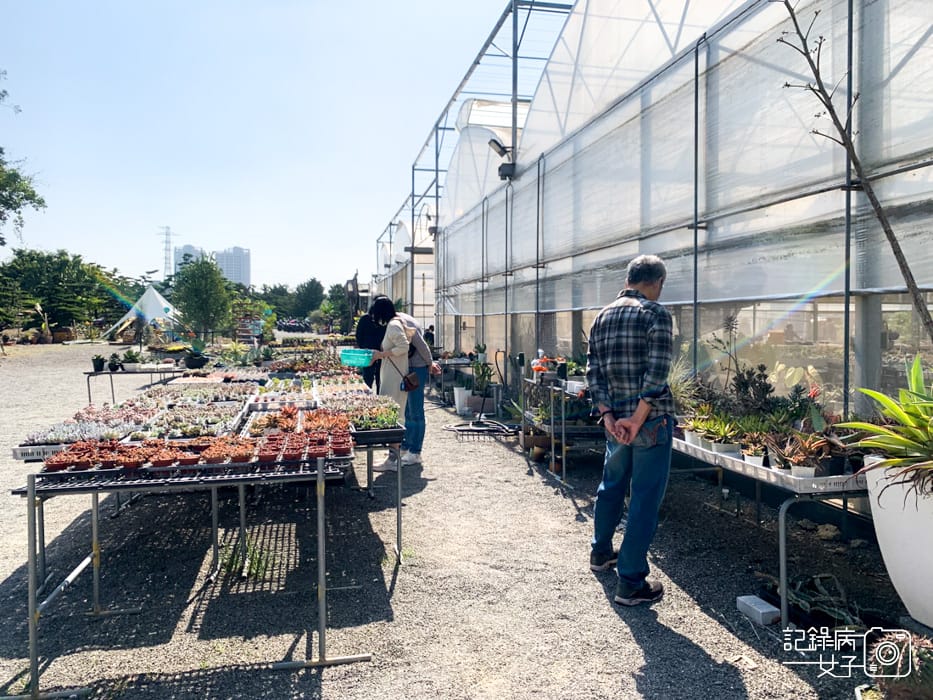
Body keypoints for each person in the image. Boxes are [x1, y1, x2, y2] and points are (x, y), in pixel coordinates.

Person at [585, 254, 675, 606]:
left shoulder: (602, 316)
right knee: (644, 497)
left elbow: (594, 373)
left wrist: (608, 415)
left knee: (611, 485)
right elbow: (657, 374)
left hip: (615, 423)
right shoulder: (655, 314)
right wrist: (637, 419)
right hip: (647, 421)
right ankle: (631, 581)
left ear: (628, 279)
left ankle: (601, 552)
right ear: (656, 283)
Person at [355, 309, 386, 391]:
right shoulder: (382, 319)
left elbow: (358, 335)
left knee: (372, 377)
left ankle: (370, 397)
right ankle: (375, 397)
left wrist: (363, 347)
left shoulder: (365, 318)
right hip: (378, 352)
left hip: (374, 352)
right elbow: (358, 335)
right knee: (376, 377)